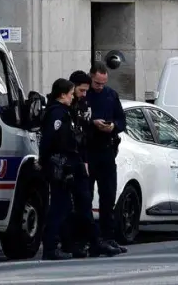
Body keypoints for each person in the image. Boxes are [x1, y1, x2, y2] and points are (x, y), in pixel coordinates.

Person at [82, 61, 127, 256]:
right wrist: (93, 123)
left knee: (108, 197)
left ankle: (108, 237)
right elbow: (79, 119)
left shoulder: (111, 95)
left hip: (107, 150)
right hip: (89, 151)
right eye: (97, 83)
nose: (100, 86)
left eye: (103, 83)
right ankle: (88, 239)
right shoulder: (84, 95)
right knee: (85, 197)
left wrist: (112, 126)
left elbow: (122, 121)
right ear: (91, 77)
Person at [39, 79, 83, 261]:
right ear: (63, 94)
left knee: (64, 206)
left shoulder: (64, 112)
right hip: (59, 164)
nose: (73, 97)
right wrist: (45, 161)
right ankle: (50, 247)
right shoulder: (57, 113)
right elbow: (50, 139)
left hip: (64, 163)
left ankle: (62, 244)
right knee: (59, 206)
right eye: (71, 94)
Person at [61, 71, 98, 257]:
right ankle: (71, 243)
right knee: (69, 206)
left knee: (84, 202)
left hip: (82, 159)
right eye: (81, 90)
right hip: (70, 161)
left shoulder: (83, 105)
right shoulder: (65, 107)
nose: (84, 94)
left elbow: (84, 134)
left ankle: (88, 242)